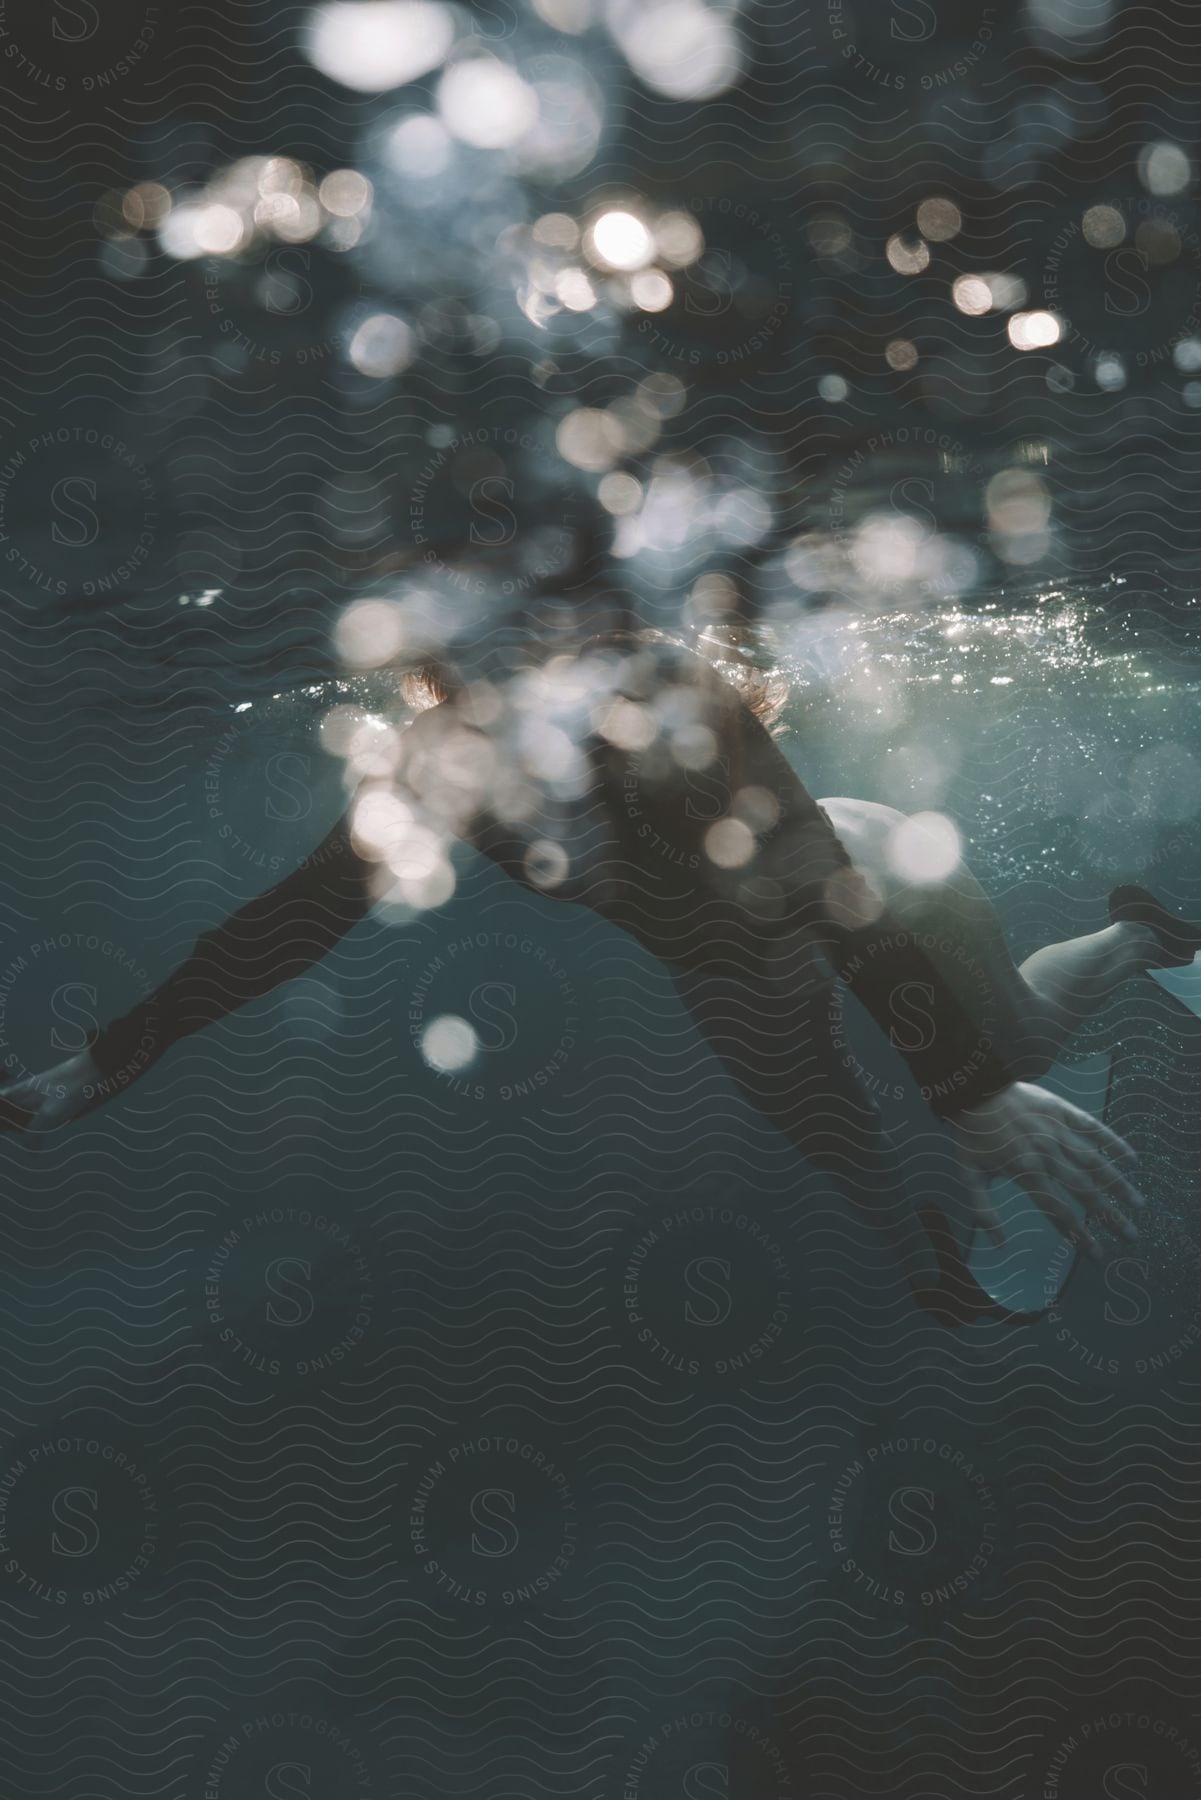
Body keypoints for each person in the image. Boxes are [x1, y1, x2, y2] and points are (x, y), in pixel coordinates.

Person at [2, 629, 1193, 1324]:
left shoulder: (662, 698)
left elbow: (827, 885)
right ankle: (944, 1263)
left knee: (1025, 1040)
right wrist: (110, 1056)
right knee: (837, 1145)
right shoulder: (440, 767)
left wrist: (966, 1087)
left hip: (867, 878)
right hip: (723, 969)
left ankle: (1145, 937)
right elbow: (292, 926)